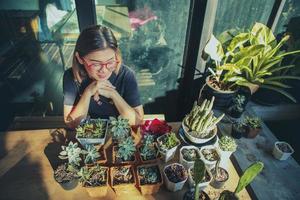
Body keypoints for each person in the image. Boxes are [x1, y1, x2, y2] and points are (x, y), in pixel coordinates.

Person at [63, 25, 144, 129]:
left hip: (121, 134)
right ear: (80, 58)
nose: (104, 70)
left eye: (110, 62)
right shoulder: (71, 76)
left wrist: (113, 94)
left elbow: (137, 121)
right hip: (89, 134)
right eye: (96, 64)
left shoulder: (126, 75)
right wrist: (88, 92)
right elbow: (71, 123)